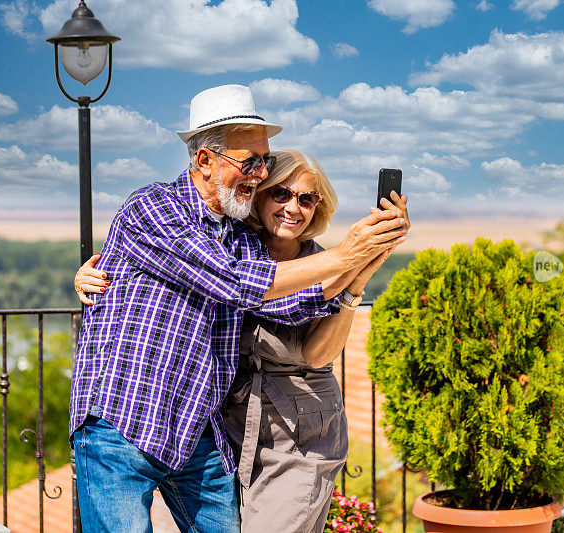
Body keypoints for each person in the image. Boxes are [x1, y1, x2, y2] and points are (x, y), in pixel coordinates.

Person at [70, 85, 408, 533]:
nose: (259, 173)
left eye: (263, 161)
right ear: (205, 160)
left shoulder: (241, 235)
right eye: (249, 161)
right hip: (124, 419)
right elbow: (233, 282)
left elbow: (288, 304)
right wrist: (349, 254)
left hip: (196, 427)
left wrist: (366, 261)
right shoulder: (153, 208)